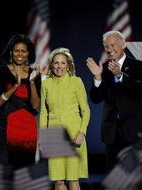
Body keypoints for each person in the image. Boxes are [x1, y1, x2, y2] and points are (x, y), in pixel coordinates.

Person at [86, 30, 142, 172]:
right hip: (112, 131)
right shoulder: (103, 68)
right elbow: (95, 99)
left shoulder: (138, 65)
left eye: (113, 45)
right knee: (114, 177)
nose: (109, 49)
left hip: (135, 130)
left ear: (123, 45)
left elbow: (137, 90)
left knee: (136, 176)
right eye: (106, 46)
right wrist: (97, 77)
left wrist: (120, 75)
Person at [40, 48, 90, 190]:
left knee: (73, 180)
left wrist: (82, 132)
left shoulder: (76, 82)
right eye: (56, 63)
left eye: (63, 63)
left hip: (74, 134)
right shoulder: (46, 84)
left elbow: (86, 110)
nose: (59, 66)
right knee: (59, 181)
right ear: (51, 65)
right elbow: (44, 113)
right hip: (54, 136)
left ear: (68, 65)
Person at [0, 34, 41, 169]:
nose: (20, 54)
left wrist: (31, 82)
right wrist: (15, 86)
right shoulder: (0, 72)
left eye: (23, 51)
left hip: (26, 131)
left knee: (24, 174)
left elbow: (35, 106)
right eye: (16, 51)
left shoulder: (34, 74)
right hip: (3, 127)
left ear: (28, 53)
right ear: (11, 52)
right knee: (4, 171)